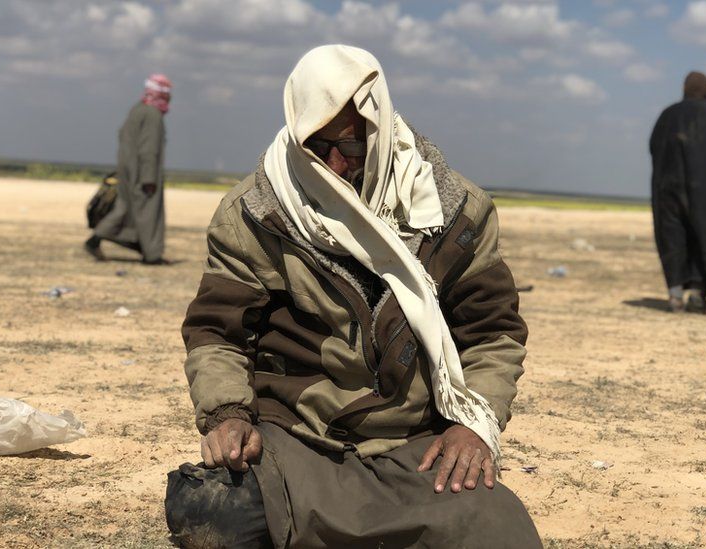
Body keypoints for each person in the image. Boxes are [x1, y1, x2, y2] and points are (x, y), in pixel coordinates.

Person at [164, 45, 541, 548]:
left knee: (501, 535)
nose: (336, 166)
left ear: (378, 131)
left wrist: (474, 427)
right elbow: (217, 333)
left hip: (417, 444)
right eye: (316, 148)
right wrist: (228, 414)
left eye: (351, 146)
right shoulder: (256, 213)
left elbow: (493, 336)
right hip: (297, 439)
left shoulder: (455, 214)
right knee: (209, 514)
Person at [649, 71, 706, 314]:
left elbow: (653, 147)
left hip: (667, 189)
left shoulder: (668, 115)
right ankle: (698, 296)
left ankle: (675, 296)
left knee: (673, 235)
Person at [85, 73, 172, 265]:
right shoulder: (153, 115)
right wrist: (149, 178)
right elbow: (149, 149)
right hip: (143, 174)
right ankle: (152, 255)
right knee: (148, 213)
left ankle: (97, 239)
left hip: (127, 171)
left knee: (125, 208)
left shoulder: (137, 109)